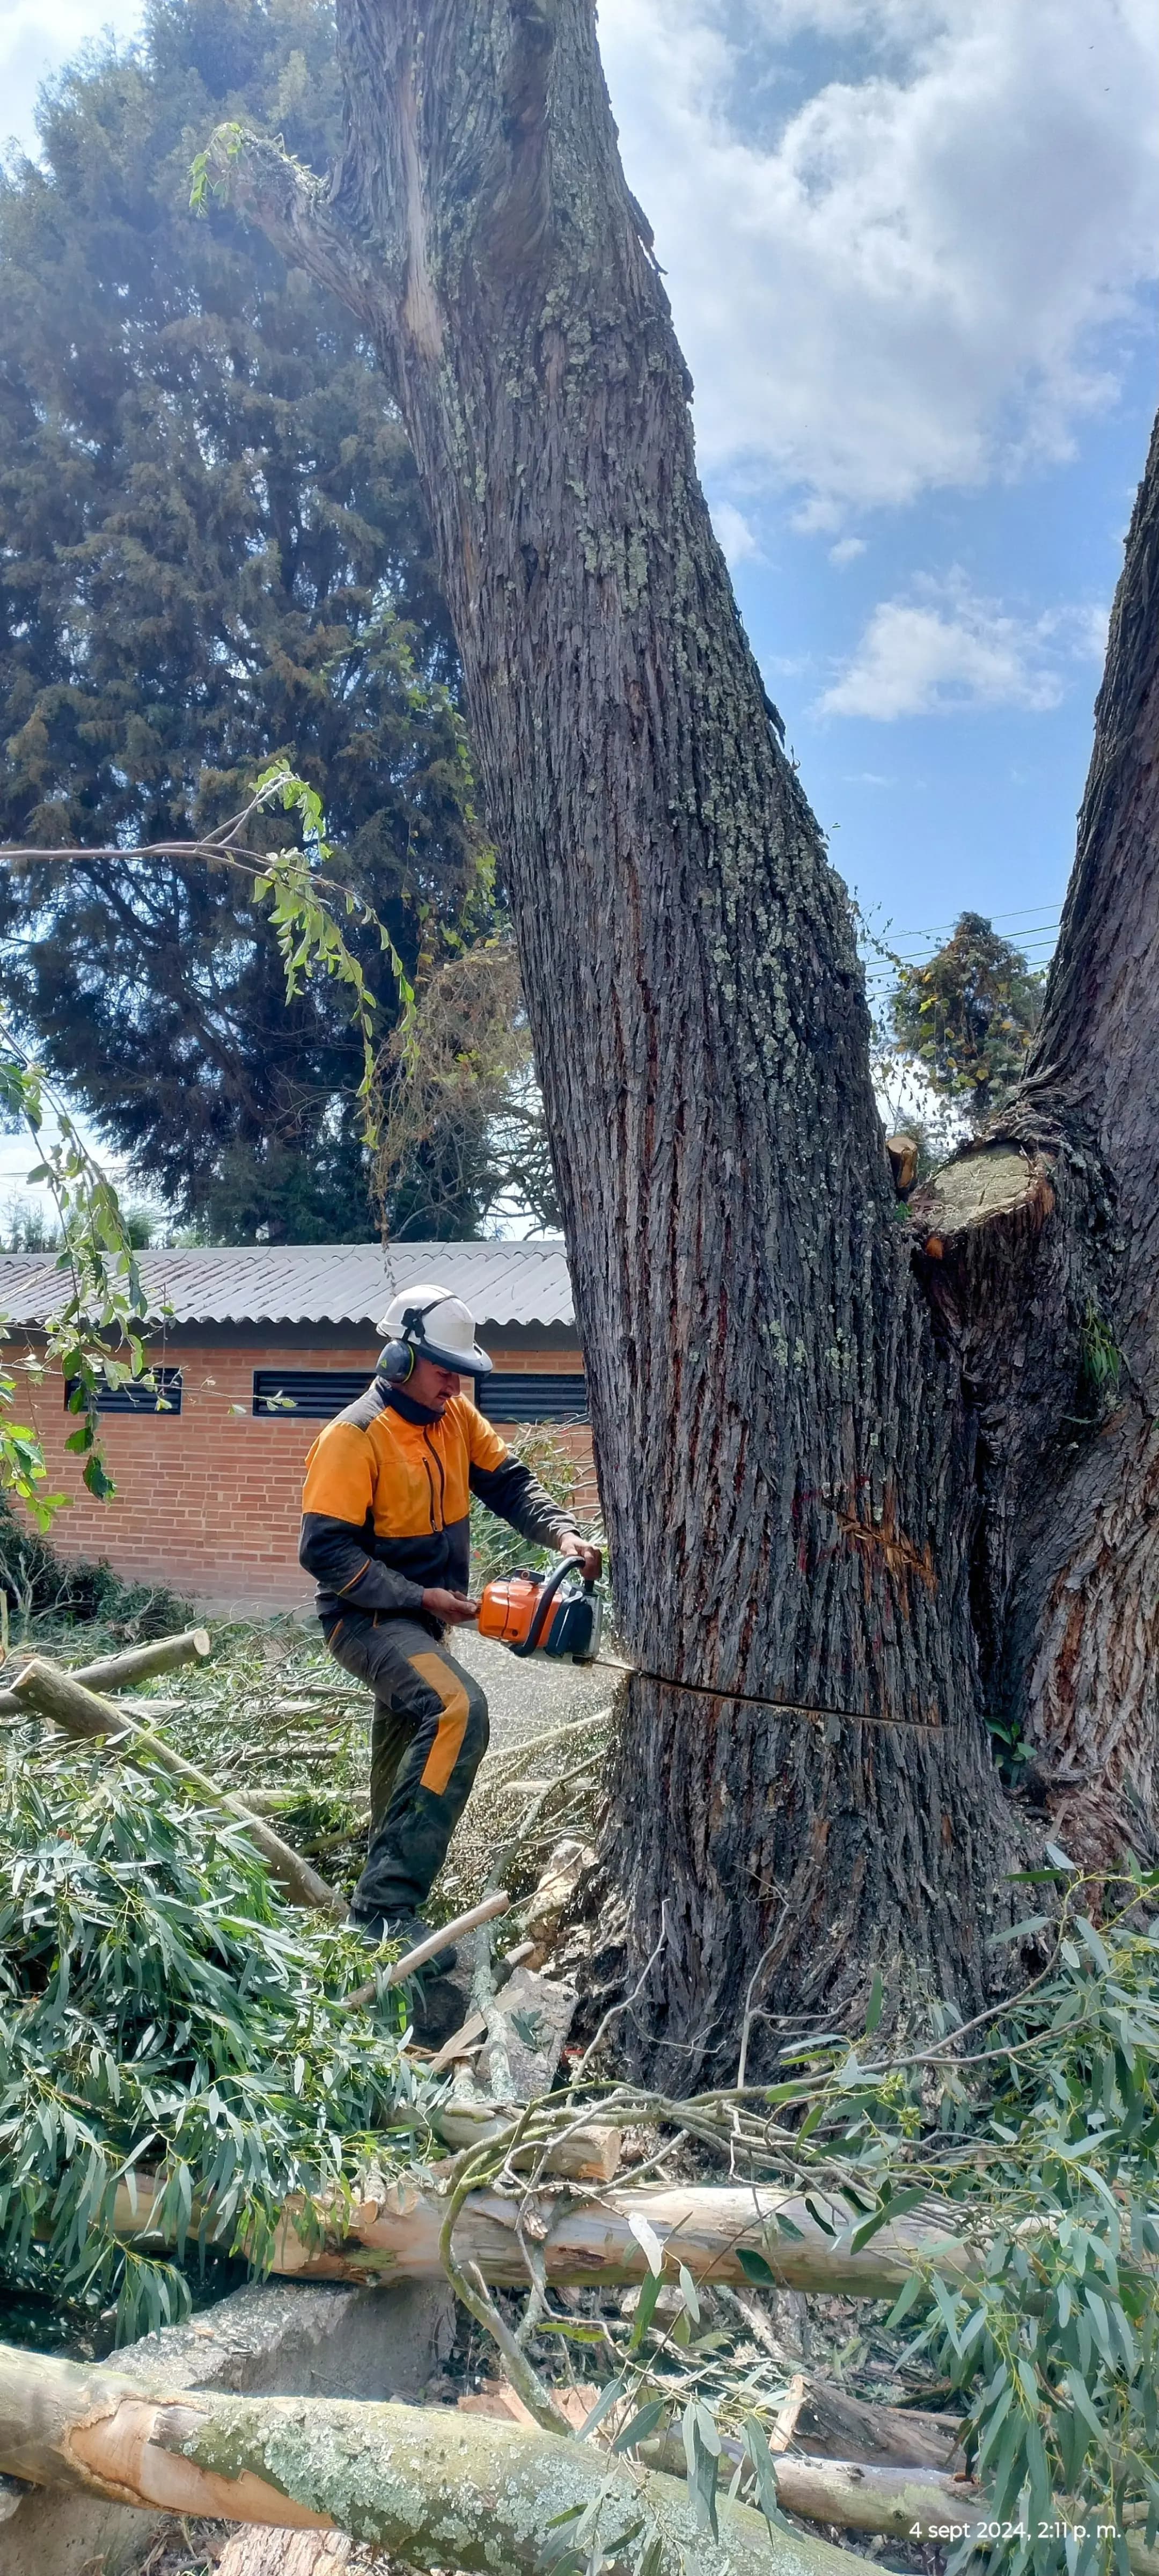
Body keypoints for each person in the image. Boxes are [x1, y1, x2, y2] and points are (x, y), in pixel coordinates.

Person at [298, 1283, 600, 1956]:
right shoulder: (355, 1436)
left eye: (461, 1374)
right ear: (400, 1361)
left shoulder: (456, 1419)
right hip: (366, 1619)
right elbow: (324, 1551)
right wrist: (419, 1597)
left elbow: (509, 1482)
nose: (454, 1386)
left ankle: (370, 1915)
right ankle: (386, 1908)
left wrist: (562, 1535)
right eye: (443, 1371)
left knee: (407, 1742)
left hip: (423, 1619)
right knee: (459, 1708)